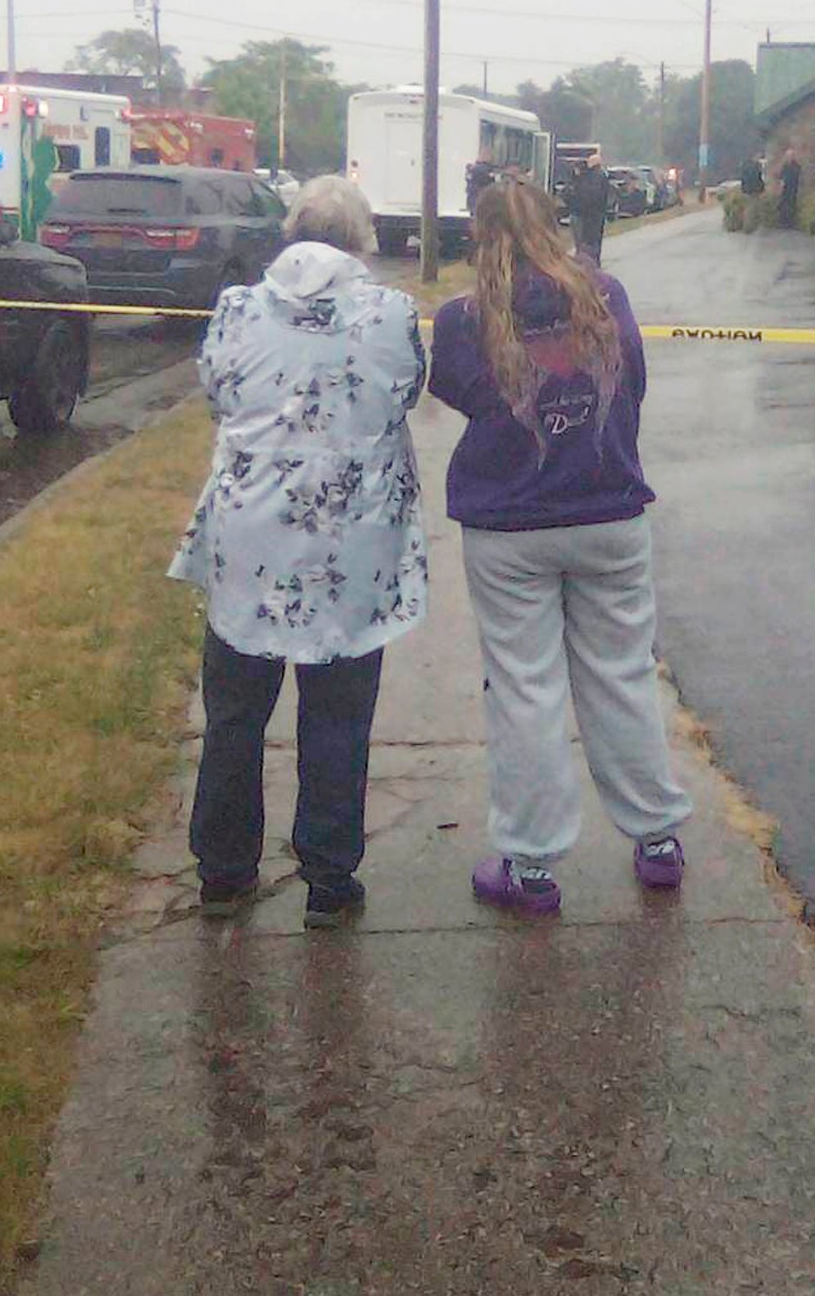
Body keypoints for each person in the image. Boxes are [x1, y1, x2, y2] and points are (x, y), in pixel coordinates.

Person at [167, 176, 427, 930]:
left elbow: (216, 392)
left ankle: (223, 870)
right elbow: (405, 394)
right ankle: (328, 877)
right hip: (352, 544)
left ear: (292, 232)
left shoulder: (237, 310)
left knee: (236, 711)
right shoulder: (391, 314)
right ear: (362, 238)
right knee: (338, 715)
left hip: (250, 542)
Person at [428, 181, 693, 917]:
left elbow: (456, 391)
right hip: (608, 508)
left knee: (524, 690)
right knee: (622, 675)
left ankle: (532, 864)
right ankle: (658, 838)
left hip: (510, 521)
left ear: (480, 237)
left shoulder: (464, 319)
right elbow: (633, 379)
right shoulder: (605, 296)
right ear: (556, 224)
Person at [566, 152, 612, 261]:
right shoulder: (601, 177)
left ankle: (585, 260)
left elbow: (586, 195)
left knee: (583, 241)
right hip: (595, 214)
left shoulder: (586, 178)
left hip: (584, 213)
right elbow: (604, 196)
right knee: (593, 240)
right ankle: (593, 261)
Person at [775, 149, 802, 230]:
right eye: (788, 156)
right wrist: (781, 186)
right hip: (785, 189)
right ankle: (783, 222)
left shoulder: (796, 166)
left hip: (793, 188)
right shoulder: (785, 166)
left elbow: (797, 176)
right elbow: (781, 177)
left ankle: (791, 222)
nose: (789, 157)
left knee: (792, 205)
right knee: (783, 205)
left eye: (790, 156)